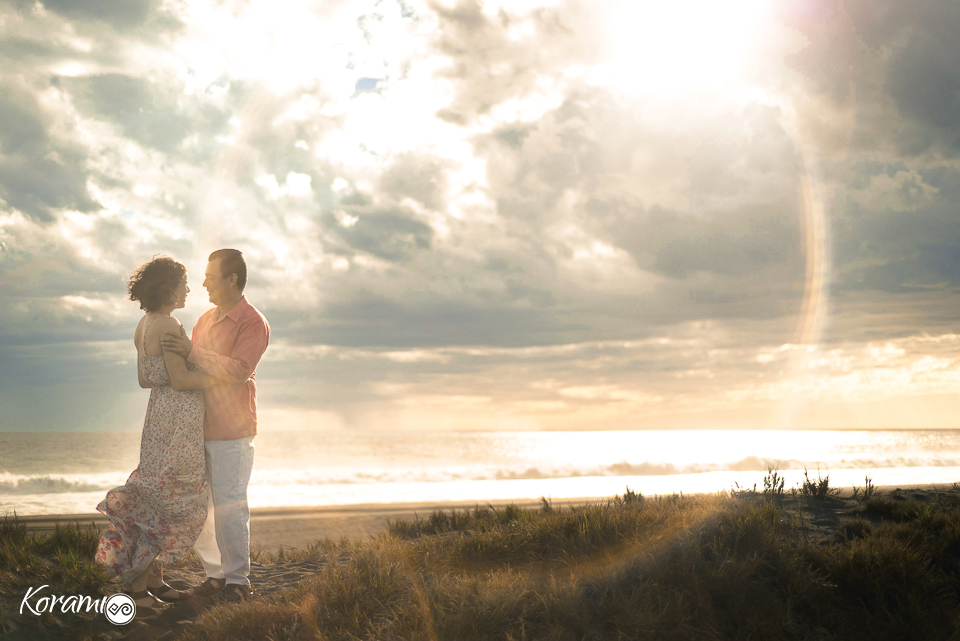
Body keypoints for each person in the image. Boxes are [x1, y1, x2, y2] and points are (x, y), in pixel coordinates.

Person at [96, 256, 211, 609]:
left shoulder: (144, 325)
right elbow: (181, 379)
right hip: (179, 421)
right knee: (172, 503)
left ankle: (154, 582)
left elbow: (146, 379)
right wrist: (219, 379)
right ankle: (136, 589)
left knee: (156, 496)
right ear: (168, 287)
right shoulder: (170, 325)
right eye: (184, 283)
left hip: (158, 417)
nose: (188, 289)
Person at [160, 249, 270, 603]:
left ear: (232, 279)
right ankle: (216, 575)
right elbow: (194, 372)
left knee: (230, 503)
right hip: (197, 427)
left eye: (210, 276)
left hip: (233, 429)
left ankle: (238, 581)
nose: (204, 282)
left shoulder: (253, 322)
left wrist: (192, 353)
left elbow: (239, 370)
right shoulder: (204, 320)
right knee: (200, 506)